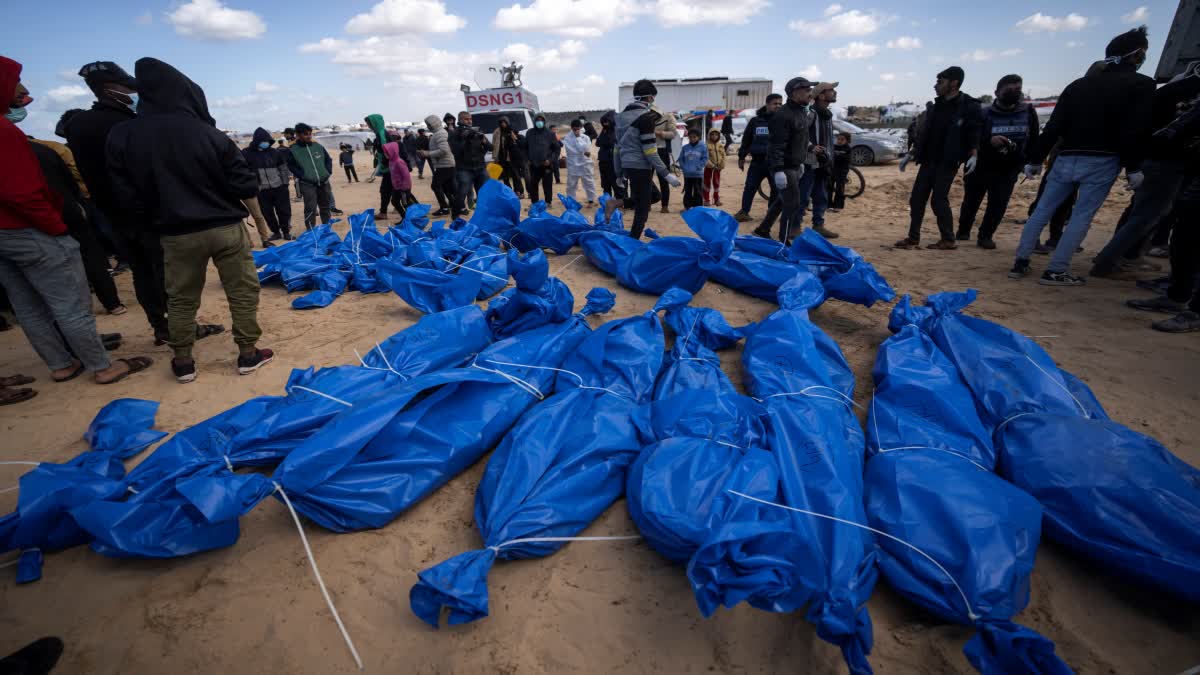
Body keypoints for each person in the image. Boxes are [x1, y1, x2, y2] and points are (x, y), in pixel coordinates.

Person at [107, 57, 274, 383]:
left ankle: (183, 361)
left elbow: (123, 195)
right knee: (241, 291)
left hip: (175, 233)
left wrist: (155, 217)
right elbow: (245, 184)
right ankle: (248, 354)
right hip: (225, 227)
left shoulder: (123, 135)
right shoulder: (208, 134)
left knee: (181, 299)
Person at [0, 55, 153, 388]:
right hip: (31, 230)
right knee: (70, 301)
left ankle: (61, 364)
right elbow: (22, 192)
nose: (23, 91)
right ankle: (102, 366)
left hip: (6, 237)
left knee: (27, 304)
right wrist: (56, 226)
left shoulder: (77, 127)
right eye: (15, 84)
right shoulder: (5, 133)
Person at [1010, 27, 1156, 286]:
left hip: (1066, 157)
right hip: (1103, 160)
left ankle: (1021, 261)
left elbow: (1054, 126)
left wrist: (1035, 159)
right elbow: (1135, 129)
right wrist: (1133, 166)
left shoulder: (1078, 85)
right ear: (1137, 54)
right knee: (1081, 215)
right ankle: (1056, 269)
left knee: (1042, 210)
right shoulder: (1141, 85)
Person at [63, 60, 172, 343]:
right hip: (145, 211)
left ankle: (160, 326)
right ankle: (179, 327)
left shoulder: (78, 125)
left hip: (112, 214)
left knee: (141, 272)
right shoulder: (127, 123)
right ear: (110, 89)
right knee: (162, 271)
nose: (133, 93)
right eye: (127, 87)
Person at [1090, 52, 1200, 277]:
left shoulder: (1170, 88)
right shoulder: (1179, 90)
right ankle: (1111, 259)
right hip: (1169, 161)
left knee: (1145, 210)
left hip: (1156, 159)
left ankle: (1126, 255)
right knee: (1150, 212)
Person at [26, 136, 125, 314]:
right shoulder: (49, 150)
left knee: (56, 264)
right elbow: (72, 176)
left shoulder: (14, 155)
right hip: (69, 208)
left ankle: (75, 312)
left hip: (36, 217)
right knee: (91, 255)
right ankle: (113, 303)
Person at [895, 66, 982, 250]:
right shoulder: (936, 106)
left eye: (940, 82)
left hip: (948, 161)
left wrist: (973, 154)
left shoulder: (969, 106)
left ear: (954, 83)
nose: (936, 86)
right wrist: (911, 153)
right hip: (928, 159)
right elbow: (925, 133)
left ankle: (948, 239)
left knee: (938, 200)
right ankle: (913, 238)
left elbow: (974, 131)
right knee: (916, 199)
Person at [955, 74, 1040, 249]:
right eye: (1009, 89)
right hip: (982, 165)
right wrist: (988, 141)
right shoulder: (983, 113)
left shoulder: (1027, 112)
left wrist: (1031, 161)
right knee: (971, 201)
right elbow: (971, 138)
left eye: (1018, 89)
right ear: (997, 92)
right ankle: (963, 230)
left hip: (1009, 167)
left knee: (999, 203)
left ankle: (986, 235)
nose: (1014, 93)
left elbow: (1033, 139)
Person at [614, 79, 680, 239]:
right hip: (641, 166)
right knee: (642, 209)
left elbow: (616, 148)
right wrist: (667, 174)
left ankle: (617, 203)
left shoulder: (621, 117)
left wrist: (619, 172)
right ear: (650, 98)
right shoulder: (646, 118)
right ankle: (633, 242)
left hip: (628, 165)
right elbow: (650, 151)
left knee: (652, 196)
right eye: (653, 99)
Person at [767, 76, 814, 244]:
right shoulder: (783, 115)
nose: (810, 93)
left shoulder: (801, 112)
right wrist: (779, 170)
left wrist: (801, 159)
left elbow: (799, 139)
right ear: (795, 92)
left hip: (793, 165)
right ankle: (784, 240)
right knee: (792, 203)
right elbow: (777, 145)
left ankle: (763, 229)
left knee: (782, 201)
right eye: (807, 90)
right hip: (784, 166)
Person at [737, 93, 782, 225]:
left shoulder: (782, 121)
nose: (778, 106)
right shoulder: (755, 121)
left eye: (780, 103)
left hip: (775, 162)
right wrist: (741, 157)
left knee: (775, 189)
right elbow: (746, 139)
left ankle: (771, 213)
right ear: (767, 104)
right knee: (749, 187)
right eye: (775, 103)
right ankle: (744, 212)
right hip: (757, 162)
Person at [243, 127, 293, 242]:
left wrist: (284, 183)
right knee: (267, 213)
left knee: (284, 211)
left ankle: (286, 232)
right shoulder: (246, 154)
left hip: (279, 188)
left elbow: (283, 168)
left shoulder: (275, 152)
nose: (266, 143)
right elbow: (243, 171)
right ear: (257, 140)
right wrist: (254, 185)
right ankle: (276, 232)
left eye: (267, 141)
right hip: (261, 190)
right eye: (263, 141)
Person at [803, 81, 839, 239]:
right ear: (821, 95)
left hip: (824, 163)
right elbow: (799, 133)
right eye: (831, 90)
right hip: (810, 162)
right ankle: (794, 227)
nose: (834, 92)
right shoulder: (812, 113)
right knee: (803, 197)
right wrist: (811, 147)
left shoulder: (827, 115)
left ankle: (818, 225)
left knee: (821, 196)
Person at [286, 123, 334, 229]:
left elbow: (328, 160)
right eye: (305, 134)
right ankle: (311, 231)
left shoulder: (318, 146)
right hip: (307, 184)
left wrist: (327, 172)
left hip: (324, 182)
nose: (309, 136)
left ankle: (327, 228)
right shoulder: (293, 150)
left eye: (310, 134)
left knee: (325, 206)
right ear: (298, 135)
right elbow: (291, 166)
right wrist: (303, 175)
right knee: (310, 208)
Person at [450, 111, 492, 216]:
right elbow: (456, 151)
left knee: (484, 194)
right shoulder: (455, 133)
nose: (469, 121)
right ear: (460, 120)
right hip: (464, 169)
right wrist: (465, 139)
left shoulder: (476, 132)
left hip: (480, 167)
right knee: (461, 194)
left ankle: (483, 216)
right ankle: (455, 216)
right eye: (466, 119)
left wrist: (484, 141)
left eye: (470, 119)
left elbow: (491, 147)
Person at [419, 114, 457, 218]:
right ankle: (454, 206)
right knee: (446, 187)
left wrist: (428, 154)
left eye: (429, 124)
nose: (428, 126)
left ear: (433, 123)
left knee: (436, 185)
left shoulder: (440, 133)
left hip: (445, 165)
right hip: (444, 164)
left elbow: (444, 150)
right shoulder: (438, 133)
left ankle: (445, 207)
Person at [524, 113, 559, 206]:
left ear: (544, 121)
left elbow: (556, 149)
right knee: (533, 184)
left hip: (546, 164)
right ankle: (534, 202)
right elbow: (525, 147)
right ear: (534, 121)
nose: (539, 122)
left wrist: (550, 160)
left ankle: (548, 202)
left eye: (541, 120)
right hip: (534, 164)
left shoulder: (550, 133)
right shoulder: (529, 133)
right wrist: (527, 159)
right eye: (537, 120)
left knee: (547, 184)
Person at [365, 114, 393, 219]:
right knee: (392, 190)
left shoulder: (381, 134)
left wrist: (385, 165)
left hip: (390, 167)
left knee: (386, 190)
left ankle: (383, 213)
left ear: (375, 123)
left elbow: (387, 151)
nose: (369, 126)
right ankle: (384, 212)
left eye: (369, 124)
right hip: (388, 167)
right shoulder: (379, 133)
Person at [563, 118, 598, 205]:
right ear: (571, 128)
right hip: (573, 164)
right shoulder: (567, 138)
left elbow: (587, 148)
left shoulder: (585, 137)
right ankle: (571, 200)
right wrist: (583, 151)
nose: (576, 131)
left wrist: (579, 139)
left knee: (589, 182)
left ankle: (591, 199)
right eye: (574, 129)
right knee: (571, 184)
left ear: (581, 128)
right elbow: (572, 150)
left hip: (585, 164)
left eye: (578, 129)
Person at [381, 139, 417, 221]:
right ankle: (404, 217)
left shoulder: (399, 162)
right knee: (394, 201)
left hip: (403, 188)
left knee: (405, 204)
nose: (385, 154)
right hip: (396, 187)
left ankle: (410, 219)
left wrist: (405, 187)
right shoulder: (391, 161)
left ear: (392, 151)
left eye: (387, 152)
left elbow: (406, 175)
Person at [653, 102, 678, 213]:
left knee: (664, 178)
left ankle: (665, 205)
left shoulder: (668, 117)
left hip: (662, 150)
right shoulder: (646, 119)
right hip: (648, 150)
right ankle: (648, 202)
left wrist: (658, 133)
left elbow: (673, 134)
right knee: (646, 179)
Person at [492, 116, 525, 197]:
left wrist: (512, 134)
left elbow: (517, 141)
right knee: (505, 177)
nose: (503, 124)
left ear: (507, 122)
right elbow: (494, 145)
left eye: (504, 122)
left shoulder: (512, 130)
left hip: (512, 157)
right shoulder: (496, 132)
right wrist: (495, 157)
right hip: (502, 157)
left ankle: (519, 192)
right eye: (501, 122)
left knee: (515, 176)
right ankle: (509, 192)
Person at [679, 128, 708, 210]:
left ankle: (697, 207)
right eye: (690, 137)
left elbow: (705, 158)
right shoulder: (685, 148)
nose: (692, 139)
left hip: (698, 174)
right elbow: (681, 159)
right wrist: (684, 167)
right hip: (687, 174)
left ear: (698, 137)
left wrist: (699, 166)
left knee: (698, 191)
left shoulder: (703, 147)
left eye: (694, 137)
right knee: (687, 191)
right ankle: (687, 207)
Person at [596, 111, 622, 199]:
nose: (605, 124)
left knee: (615, 184)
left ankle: (618, 203)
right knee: (605, 184)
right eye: (603, 122)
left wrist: (604, 141)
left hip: (613, 161)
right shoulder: (604, 130)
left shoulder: (616, 130)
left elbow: (611, 142)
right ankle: (607, 202)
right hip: (603, 161)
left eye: (606, 122)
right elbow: (597, 143)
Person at [829, 131, 852, 210]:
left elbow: (845, 159)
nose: (839, 141)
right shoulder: (833, 147)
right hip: (832, 171)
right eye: (838, 139)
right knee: (829, 187)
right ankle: (829, 204)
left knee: (840, 189)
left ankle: (838, 206)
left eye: (842, 139)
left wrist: (837, 156)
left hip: (842, 172)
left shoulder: (848, 149)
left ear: (847, 141)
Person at [704, 128, 725, 206]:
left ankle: (716, 200)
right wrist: (711, 165)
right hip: (708, 168)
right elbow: (705, 157)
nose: (714, 136)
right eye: (712, 134)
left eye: (716, 134)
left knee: (716, 183)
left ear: (719, 136)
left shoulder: (720, 145)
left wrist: (721, 165)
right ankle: (706, 200)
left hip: (718, 168)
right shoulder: (706, 145)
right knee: (707, 183)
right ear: (709, 135)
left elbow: (723, 155)